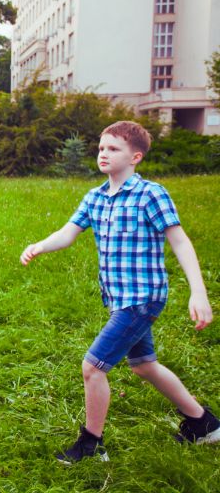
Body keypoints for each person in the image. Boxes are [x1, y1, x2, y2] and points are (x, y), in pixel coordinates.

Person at [20, 120, 218, 464]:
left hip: (142, 298)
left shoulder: (150, 194)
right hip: (118, 299)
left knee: (93, 367)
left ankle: (92, 445)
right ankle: (204, 423)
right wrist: (38, 246)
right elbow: (68, 233)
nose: (104, 154)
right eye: (101, 148)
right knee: (144, 366)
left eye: (114, 149)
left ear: (135, 157)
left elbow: (180, 242)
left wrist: (197, 292)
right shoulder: (95, 197)